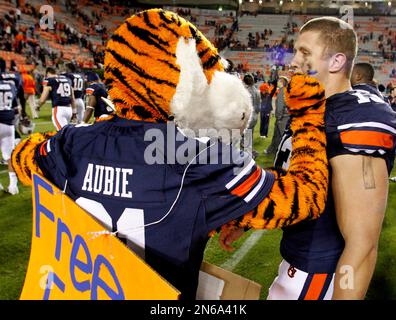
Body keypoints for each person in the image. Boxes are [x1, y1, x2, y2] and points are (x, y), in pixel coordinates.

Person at [11, 9, 329, 300]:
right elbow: (307, 198)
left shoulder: (70, 141)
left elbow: (22, 156)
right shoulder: (199, 155)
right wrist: (309, 116)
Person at [221, 17, 396, 300]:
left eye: (304, 52)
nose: (293, 60)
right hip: (298, 264)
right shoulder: (316, 107)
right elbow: (297, 180)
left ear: (337, 61)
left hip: (320, 276)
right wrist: (246, 221)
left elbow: (362, 245)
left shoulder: (355, 121)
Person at [0, 78, 19, 194]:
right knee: (9, 156)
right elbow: (16, 108)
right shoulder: (10, 85)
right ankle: (13, 186)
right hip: (8, 124)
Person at [266, 76, 290, 155]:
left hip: (282, 118)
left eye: (279, 81)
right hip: (286, 117)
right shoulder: (287, 90)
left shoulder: (282, 91)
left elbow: (280, 107)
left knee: (280, 136)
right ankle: (272, 150)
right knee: (276, 135)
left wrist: (278, 118)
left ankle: (278, 153)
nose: (278, 82)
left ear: (282, 82)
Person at [241, 73, 261, 158]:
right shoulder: (257, 91)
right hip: (255, 117)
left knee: (244, 138)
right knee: (249, 136)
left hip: (248, 117)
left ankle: (249, 155)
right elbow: (258, 107)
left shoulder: (245, 91)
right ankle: (251, 152)